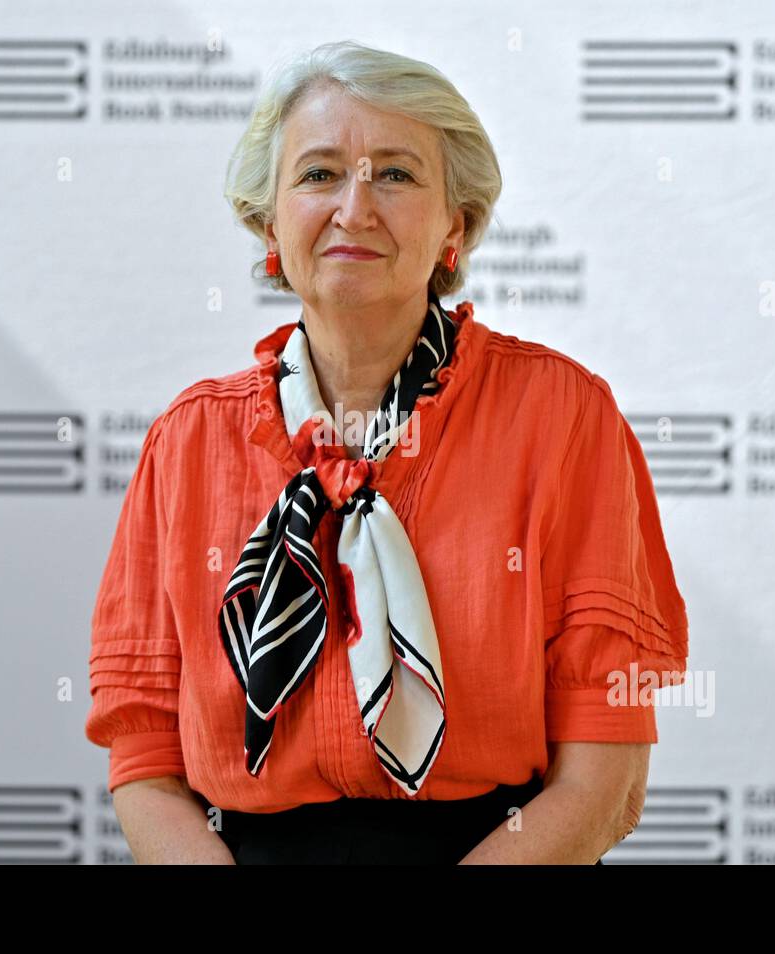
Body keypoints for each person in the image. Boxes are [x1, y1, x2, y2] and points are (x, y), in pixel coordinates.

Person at [84, 40, 689, 865]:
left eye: (396, 174)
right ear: (269, 223)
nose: (355, 208)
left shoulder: (564, 417)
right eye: (319, 174)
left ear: (455, 227)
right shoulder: (186, 441)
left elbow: (603, 776)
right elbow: (146, 762)